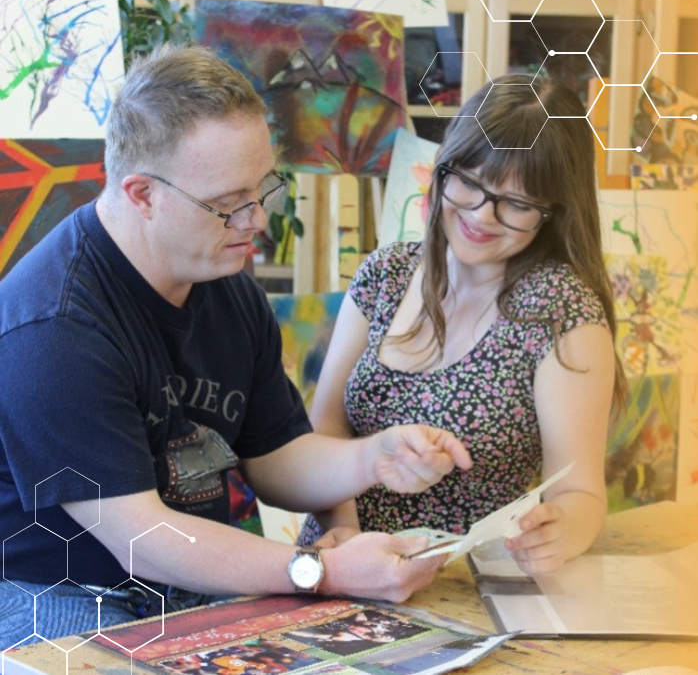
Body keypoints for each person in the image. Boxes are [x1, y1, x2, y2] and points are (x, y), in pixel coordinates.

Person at [0, 45, 473, 648]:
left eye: (263, 190)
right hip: (57, 590)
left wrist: (373, 459)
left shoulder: (225, 286)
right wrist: (319, 571)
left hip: (190, 580)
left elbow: (276, 456)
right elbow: (142, 539)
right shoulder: (54, 327)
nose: (257, 222)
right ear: (142, 193)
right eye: (227, 205)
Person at [299, 74, 627, 576]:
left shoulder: (561, 311)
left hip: (457, 585)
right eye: (470, 183)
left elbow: (579, 492)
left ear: (553, 214)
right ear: (443, 168)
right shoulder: (385, 274)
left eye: (516, 204)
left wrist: (563, 529)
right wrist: (341, 529)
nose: (481, 214)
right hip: (342, 564)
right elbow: (325, 431)